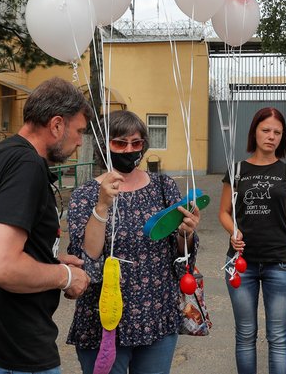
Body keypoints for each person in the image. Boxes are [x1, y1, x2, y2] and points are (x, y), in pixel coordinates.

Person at [0, 77, 93, 374]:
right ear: (56, 125)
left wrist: (48, 260)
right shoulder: (26, 166)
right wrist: (65, 276)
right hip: (10, 348)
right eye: (79, 131)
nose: (80, 141)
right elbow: (1, 266)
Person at [67, 110, 201, 374]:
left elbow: (181, 256)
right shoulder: (86, 194)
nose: (129, 149)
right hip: (104, 318)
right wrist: (102, 205)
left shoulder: (164, 187)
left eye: (136, 143)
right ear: (106, 146)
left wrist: (186, 233)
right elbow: (87, 257)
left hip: (156, 316)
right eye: (120, 143)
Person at [219, 107, 286, 374]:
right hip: (241, 263)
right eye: (266, 130)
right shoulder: (237, 170)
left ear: (282, 137)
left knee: (278, 337)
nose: (271, 136)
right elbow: (224, 213)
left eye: (277, 132)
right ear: (255, 132)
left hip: (280, 264)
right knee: (245, 334)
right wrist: (233, 232)